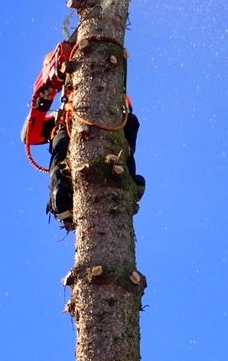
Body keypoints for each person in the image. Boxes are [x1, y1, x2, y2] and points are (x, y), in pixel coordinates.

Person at [22, 40, 145, 230]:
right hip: (70, 134)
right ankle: (60, 197)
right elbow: (28, 136)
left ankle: (126, 178)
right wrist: (42, 101)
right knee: (60, 141)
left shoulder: (110, 92)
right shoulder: (60, 114)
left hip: (115, 117)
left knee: (130, 126)